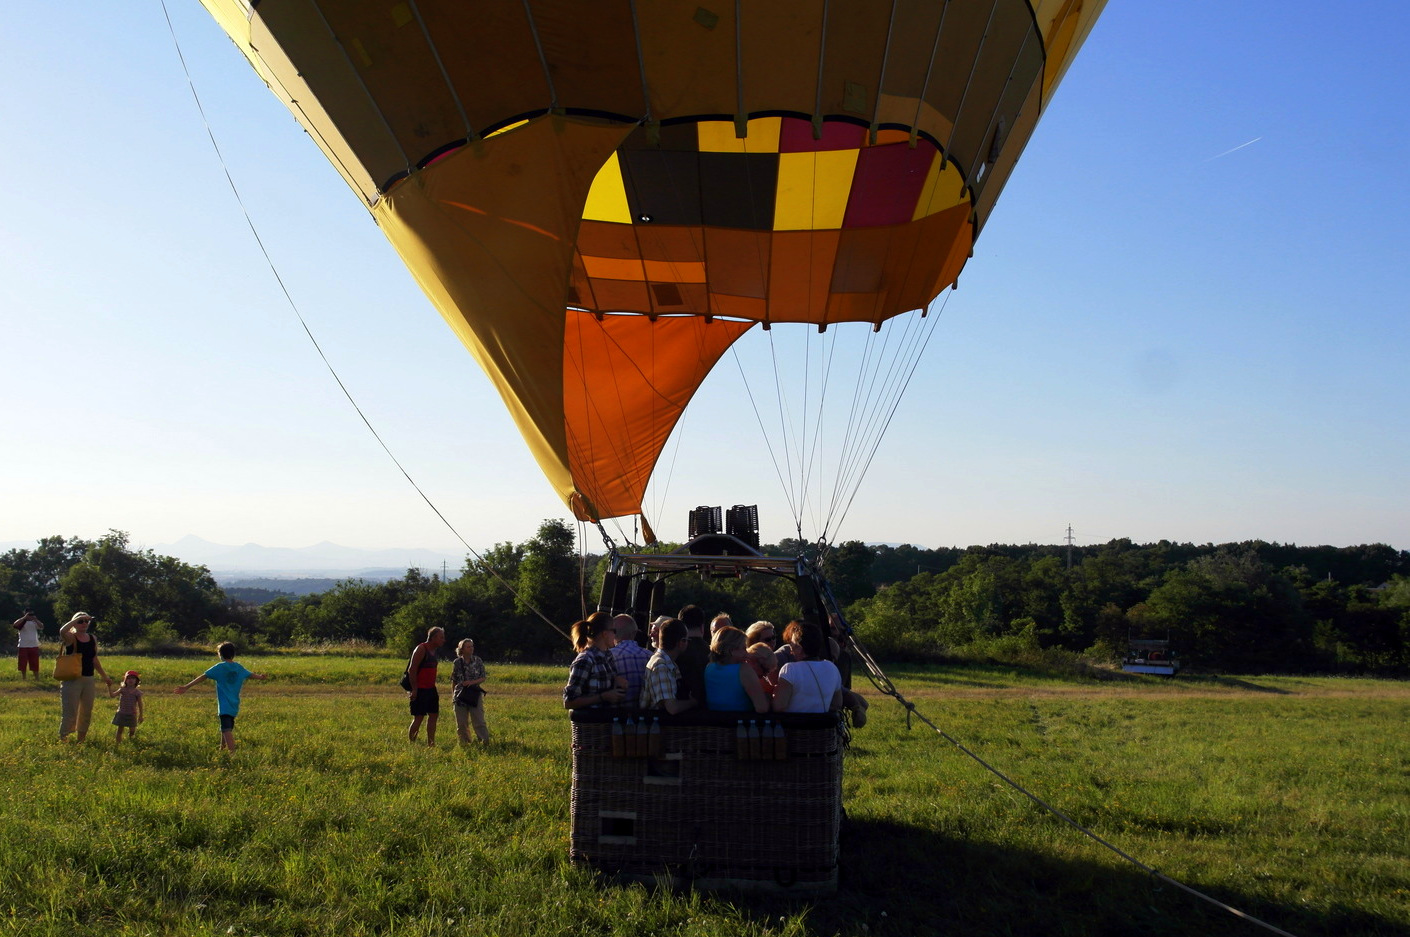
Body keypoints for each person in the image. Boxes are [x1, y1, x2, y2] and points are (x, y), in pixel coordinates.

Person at [175, 641, 268, 751]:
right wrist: (261, 677)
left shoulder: (219, 667)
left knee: (226, 729)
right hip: (234, 704)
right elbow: (251, 675)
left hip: (224, 705)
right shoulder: (238, 667)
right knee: (225, 728)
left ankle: (232, 754)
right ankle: (222, 748)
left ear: (220, 654)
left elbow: (204, 676)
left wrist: (186, 686)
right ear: (233, 654)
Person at [58, 612, 112, 741]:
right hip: (72, 679)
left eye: (86, 621)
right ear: (74, 623)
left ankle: (81, 739)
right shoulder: (70, 637)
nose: (84, 624)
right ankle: (63, 738)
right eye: (80, 621)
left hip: (88, 678)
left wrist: (105, 676)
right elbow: (62, 631)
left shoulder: (92, 638)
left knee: (86, 711)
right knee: (70, 712)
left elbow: (94, 658)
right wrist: (76, 619)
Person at [772, 621, 843, 714]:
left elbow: (779, 706)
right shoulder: (832, 668)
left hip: (795, 727)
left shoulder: (789, 669)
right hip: (823, 727)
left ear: (800, 648)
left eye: (792, 645)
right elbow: (837, 704)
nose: (791, 651)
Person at [563, 611, 626, 709]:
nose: (615, 635)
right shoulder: (585, 660)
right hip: (589, 722)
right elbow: (569, 702)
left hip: (607, 722)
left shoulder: (608, 656)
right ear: (605, 634)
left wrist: (617, 684)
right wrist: (603, 697)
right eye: (614, 631)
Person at [703, 626, 769, 713]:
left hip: (714, 723)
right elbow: (762, 708)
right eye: (743, 648)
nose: (747, 653)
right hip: (739, 724)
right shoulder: (744, 669)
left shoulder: (709, 668)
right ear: (731, 650)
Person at [639, 619, 697, 714]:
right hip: (657, 726)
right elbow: (672, 708)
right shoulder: (661, 666)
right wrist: (693, 702)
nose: (688, 644)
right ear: (681, 642)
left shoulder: (667, 662)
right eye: (687, 640)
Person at [404, 627, 445, 746]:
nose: (444, 640)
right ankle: (412, 744)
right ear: (434, 638)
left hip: (431, 689)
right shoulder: (421, 649)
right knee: (419, 718)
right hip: (420, 689)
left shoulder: (434, 651)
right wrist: (414, 689)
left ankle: (431, 744)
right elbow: (412, 670)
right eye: (441, 637)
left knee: (433, 715)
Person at [451, 637, 490, 744]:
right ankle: (465, 743)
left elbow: (483, 677)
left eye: (472, 646)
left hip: (474, 693)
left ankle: (484, 741)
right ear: (462, 649)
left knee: (479, 720)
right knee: (461, 723)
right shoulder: (457, 662)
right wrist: (453, 696)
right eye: (468, 647)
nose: (471, 648)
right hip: (460, 695)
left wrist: (471, 683)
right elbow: (454, 680)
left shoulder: (478, 661)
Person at [609, 614, 652, 708]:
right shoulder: (650, 656)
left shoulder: (607, 657)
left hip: (614, 718)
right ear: (635, 633)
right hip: (645, 719)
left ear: (613, 633)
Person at [674, 604, 709, 704]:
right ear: (702, 627)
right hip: (708, 710)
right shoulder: (713, 653)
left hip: (679, 709)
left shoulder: (674, 652)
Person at [109, 670, 144, 743]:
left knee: (132, 730)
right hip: (122, 713)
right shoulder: (122, 690)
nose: (130, 680)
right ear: (125, 680)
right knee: (120, 729)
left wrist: (141, 715)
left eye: (133, 678)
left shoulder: (137, 692)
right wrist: (109, 687)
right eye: (128, 678)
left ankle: (131, 741)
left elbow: (140, 704)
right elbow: (112, 695)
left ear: (136, 681)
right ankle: (117, 743)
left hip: (132, 714)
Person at [13, 610, 43, 680]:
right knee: (22, 663)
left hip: (34, 645)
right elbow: (15, 624)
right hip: (23, 645)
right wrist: (24, 618)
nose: (30, 616)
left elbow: (41, 626)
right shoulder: (22, 621)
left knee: (35, 663)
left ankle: (36, 678)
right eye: (29, 614)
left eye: (31, 614)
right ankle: (24, 678)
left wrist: (35, 619)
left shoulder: (34, 622)